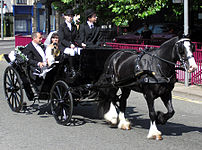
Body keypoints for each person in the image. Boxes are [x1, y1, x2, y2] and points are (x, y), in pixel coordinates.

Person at [22, 32, 47, 100]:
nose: (41, 39)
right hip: (35, 68)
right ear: (34, 38)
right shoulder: (29, 48)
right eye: (39, 38)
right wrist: (38, 63)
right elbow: (29, 60)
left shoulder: (41, 45)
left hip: (45, 66)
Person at [58, 9, 82, 77]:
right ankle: (72, 69)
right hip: (64, 46)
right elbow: (62, 39)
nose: (70, 18)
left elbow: (77, 38)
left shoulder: (74, 27)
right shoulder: (62, 26)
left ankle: (80, 68)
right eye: (68, 16)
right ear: (65, 16)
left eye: (71, 16)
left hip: (73, 46)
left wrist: (81, 44)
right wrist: (69, 44)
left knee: (81, 51)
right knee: (72, 52)